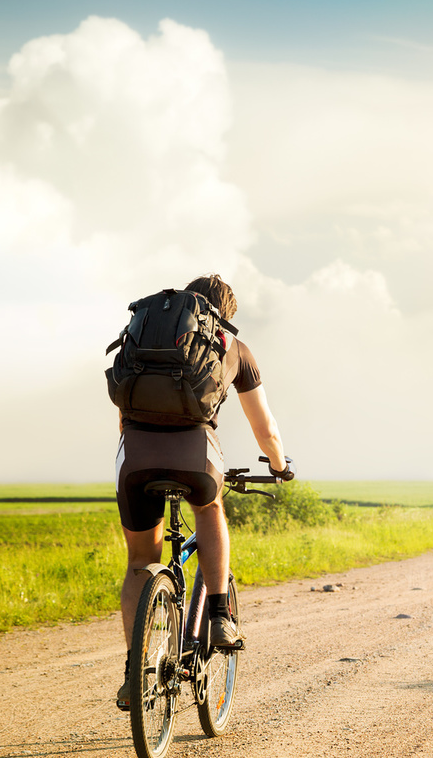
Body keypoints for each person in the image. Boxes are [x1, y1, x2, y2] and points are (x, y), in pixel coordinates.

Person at [112, 274, 294, 710]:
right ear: (223, 315)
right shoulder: (234, 348)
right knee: (210, 508)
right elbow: (265, 429)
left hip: (134, 459)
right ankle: (218, 615)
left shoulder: (146, 338)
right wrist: (280, 466)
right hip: (196, 458)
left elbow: (123, 408)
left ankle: (135, 671)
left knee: (141, 561)